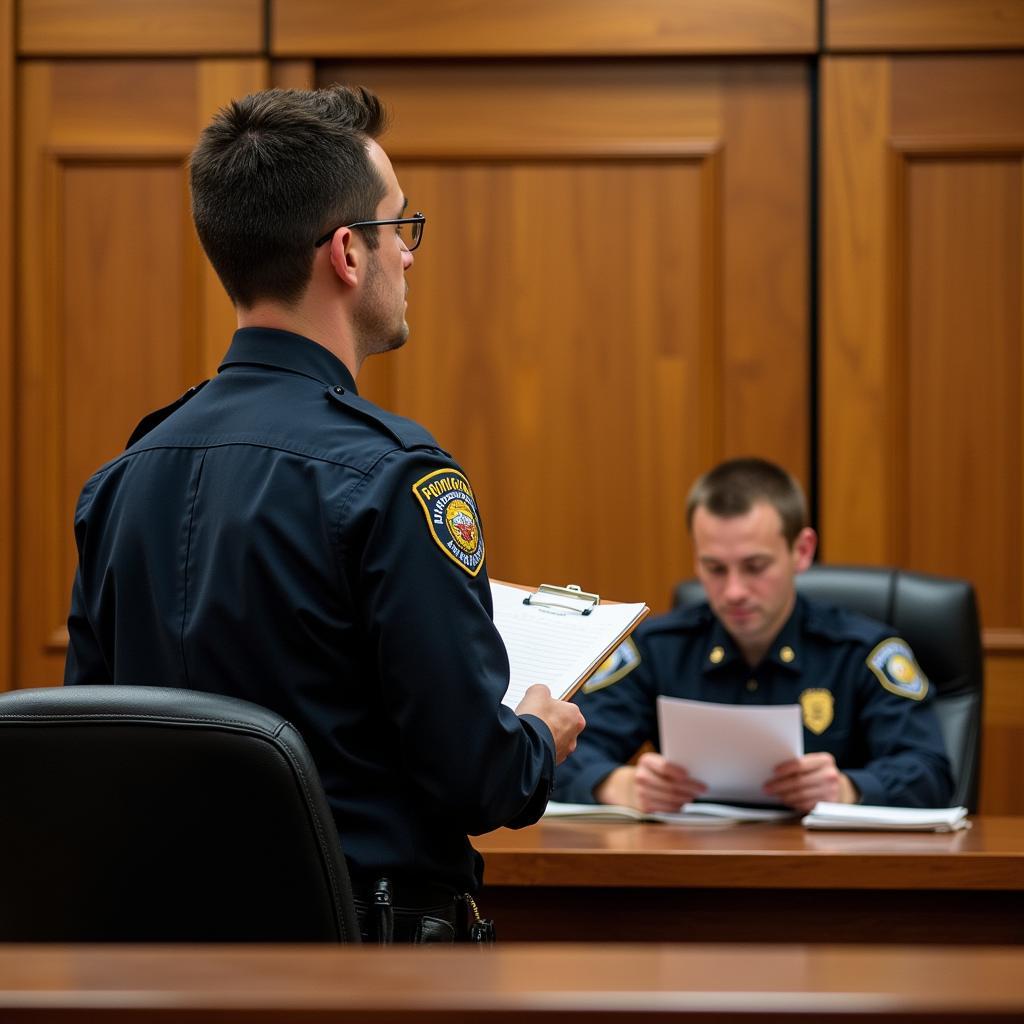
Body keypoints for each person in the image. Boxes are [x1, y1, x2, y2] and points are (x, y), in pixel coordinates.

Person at [64, 85, 585, 942]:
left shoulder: (120, 478)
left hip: (153, 959)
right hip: (355, 963)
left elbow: (90, 750)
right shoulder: (395, 476)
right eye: (400, 228)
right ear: (347, 254)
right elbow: (476, 780)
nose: (410, 257)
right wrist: (537, 730)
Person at [553, 457, 952, 812]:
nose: (734, 592)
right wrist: (616, 784)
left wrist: (847, 789)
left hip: (833, 874)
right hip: (687, 871)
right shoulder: (658, 649)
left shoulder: (862, 652)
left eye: (755, 566)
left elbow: (930, 773)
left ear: (802, 550)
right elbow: (555, 758)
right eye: (714, 568)